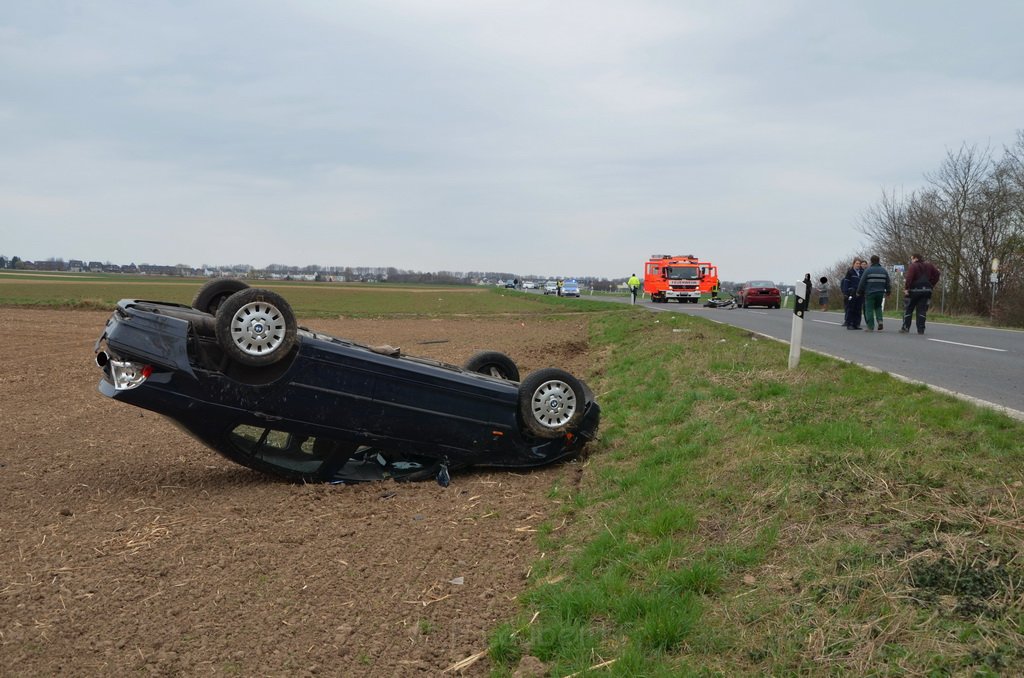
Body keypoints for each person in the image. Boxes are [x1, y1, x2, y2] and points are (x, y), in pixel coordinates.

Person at [900, 253, 941, 334]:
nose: (911, 260)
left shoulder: (913, 266)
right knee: (922, 310)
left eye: (912, 259)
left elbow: (909, 278)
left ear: (915, 258)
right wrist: (931, 284)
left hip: (914, 291)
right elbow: (937, 274)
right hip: (926, 291)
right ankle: (921, 329)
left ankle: (905, 328)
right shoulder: (929, 265)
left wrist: (906, 288)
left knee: (908, 309)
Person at [856, 255, 891, 331]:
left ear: (871, 261)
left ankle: (870, 326)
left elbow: (862, 282)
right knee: (878, 307)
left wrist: (858, 291)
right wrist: (888, 292)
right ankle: (880, 321)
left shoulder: (868, 270)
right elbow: (888, 282)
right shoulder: (884, 271)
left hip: (870, 293)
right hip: (880, 292)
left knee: (869, 309)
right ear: (879, 261)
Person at [840, 258, 864, 329]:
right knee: (851, 308)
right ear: (853, 264)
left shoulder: (862, 272)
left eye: (859, 264)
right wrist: (846, 292)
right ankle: (849, 324)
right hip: (852, 293)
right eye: (857, 263)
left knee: (858, 309)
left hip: (860, 293)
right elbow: (846, 282)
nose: (858, 265)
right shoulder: (850, 272)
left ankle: (856, 324)